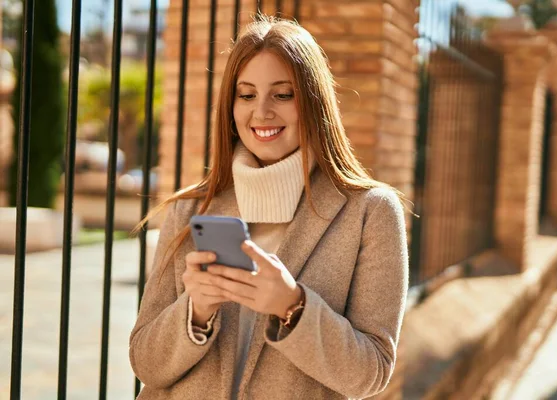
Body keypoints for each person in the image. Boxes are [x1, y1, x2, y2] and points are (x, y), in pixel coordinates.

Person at [129, 15, 409, 400]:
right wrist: (195, 311)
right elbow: (145, 364)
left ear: (312, 102)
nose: (261, 112)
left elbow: (371, 373)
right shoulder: (194, 208)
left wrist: (292, 306)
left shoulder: (370, 212)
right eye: (246, 95)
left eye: (282, 94)